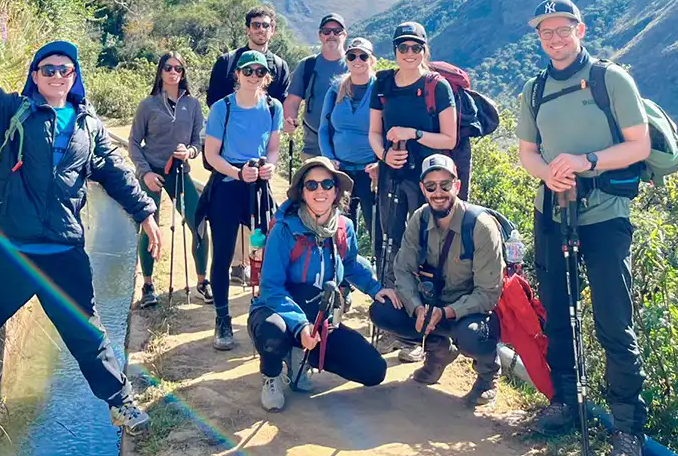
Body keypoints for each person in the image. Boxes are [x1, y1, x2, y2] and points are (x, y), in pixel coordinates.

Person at [0, 0, 161, 435]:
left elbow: (116, 173)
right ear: (35, 76)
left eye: (65, 70)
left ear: (74, 77)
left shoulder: (89, 128)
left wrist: (144, 212)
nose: (58, 76)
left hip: (62, 252)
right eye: (49, 69)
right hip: (11, 250)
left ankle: (120, 404)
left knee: (89, 334)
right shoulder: (12, 113)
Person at [515, 0, 651, 456]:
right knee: (558, 311)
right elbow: (527, 153)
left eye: (562, 30)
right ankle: (566, 402)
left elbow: (640, 144)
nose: (554, 39)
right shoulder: (533, 90)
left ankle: (627, 431)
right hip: (552, 212)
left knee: (614, 321)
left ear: (581, 30)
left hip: (606, 217)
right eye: (545, 32)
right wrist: (547, 175)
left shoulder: (610, 80)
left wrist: (585, 163)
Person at [248, 157, 401, 411]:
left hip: (320, 317)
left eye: (327, 184)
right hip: (278, 311)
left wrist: (376, 289)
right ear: (301, 191)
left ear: (336, 190)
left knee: (374, 370)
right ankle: (272, 375)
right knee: (272, 334)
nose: (320, 190)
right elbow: (271, 288)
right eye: (312, 185)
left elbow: (350, 264)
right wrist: (300, 327)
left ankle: (299, 355)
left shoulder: (343, 227)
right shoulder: (285, 230)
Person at [369, 154, 504, 406]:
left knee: (475, 335)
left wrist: (447, 312)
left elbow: (489, 294)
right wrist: (416, 306)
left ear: (458, 186)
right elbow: (403, 271)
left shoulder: (481, 227)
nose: (438, 192)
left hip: (469, 310)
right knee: (383, 311)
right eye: (431, 186)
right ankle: (438, 352)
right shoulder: (419, 219)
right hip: (430, 306)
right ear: (423, 188)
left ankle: (488, 375)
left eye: (445, 185)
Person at [368, 21, 458, 363]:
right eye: (403, 47)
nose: (409, 53)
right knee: (389, 246)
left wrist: (414, 133)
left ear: (425, 49)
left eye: (415, 47)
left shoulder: (438, 87)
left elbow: (448, 139)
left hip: (428, 183)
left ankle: (422, 334)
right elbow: (374, 132)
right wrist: (384, 154)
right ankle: (394, 326)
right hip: (392, 176)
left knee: (425, 249)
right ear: (394, 51)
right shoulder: (384, 83)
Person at [201, 50, 282, 351]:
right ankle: (222, 320)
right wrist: (237, 173)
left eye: (259, 72)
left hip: (258, 190)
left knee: (263, 251)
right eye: (247, 71)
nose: (253, 77)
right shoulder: (223, 108)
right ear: (237, 74)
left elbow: (272, 148)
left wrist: (270, 166)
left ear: (266, 77)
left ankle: (262, 315)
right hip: (226, 186)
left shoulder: (273, 107)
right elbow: (211, 155)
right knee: (222, 255)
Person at [205, 5, 291, 286]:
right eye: (255, 25)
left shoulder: (279, 66)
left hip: (261, 154)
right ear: (247, 28)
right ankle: (234, 264)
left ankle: (252, 268)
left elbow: (279, 105)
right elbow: (214, 100)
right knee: (230, 213)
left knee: (258, 217)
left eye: (265, 25)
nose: (260, 29)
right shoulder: (227, 62)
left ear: (272, 30)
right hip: (229, 151)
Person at [128, 52, 211, 308]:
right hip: (153, 173)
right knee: (150, 226)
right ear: (160, 72)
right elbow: (133, 142)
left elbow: (199, 141)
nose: (173, 71)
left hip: (179, 173)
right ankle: (149, 286)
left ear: (183, 73)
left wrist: (191, 153)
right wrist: (146, 173)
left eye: (178, 68)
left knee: (198, 222)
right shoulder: (148, 104)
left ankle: (202, 281)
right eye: (168, 67)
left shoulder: (194, 105)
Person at [318, 37, 378, 241]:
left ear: (372, 60)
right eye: (352, 55)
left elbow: (389, 130)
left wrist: (381, 162)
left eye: (363, 56)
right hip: (340, 172)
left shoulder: (380, 90)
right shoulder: (336, 89)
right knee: (339, 229)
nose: (357, 60)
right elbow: (324, 128)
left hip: (371, 174)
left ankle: (380, 271)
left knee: (376, 228)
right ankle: (340, 270)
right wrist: (329, 158)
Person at [284, 14, 348, 158]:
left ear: (344, 35)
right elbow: (293, 102)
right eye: (326, 31)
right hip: (313, 145)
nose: (331, 35)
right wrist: (289, 120)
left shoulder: (355, 65)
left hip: (347, 146)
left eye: (337, 31)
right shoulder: (307, 65)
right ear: (320, 35)